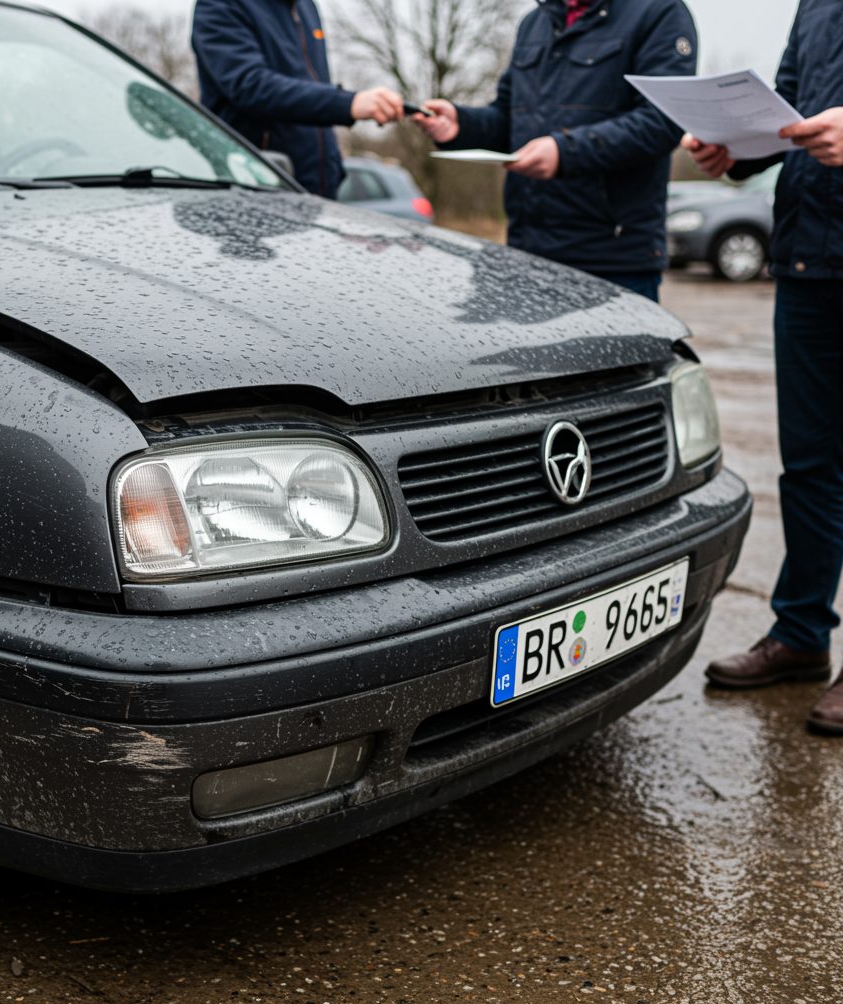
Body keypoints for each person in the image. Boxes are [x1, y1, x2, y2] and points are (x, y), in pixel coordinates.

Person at [686, 1, 843, 735]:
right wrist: (736, 151)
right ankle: (801, 636)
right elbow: (786, 113)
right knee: (808, 463)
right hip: (810, 255)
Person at [415, 0, 697, 301]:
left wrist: (565, 152)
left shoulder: (658, 12)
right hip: (527, 255)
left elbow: (662, 121)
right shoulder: (533, 24)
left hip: (612, 263)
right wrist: (461, 125)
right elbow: (508, 120)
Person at [192, 0, 403, 198]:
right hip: (256, 190)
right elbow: (250, 85)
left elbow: (313, 86)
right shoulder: (221, 4)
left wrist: (332, 166)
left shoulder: (305, 7)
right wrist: (347, 103)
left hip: (319, 190)